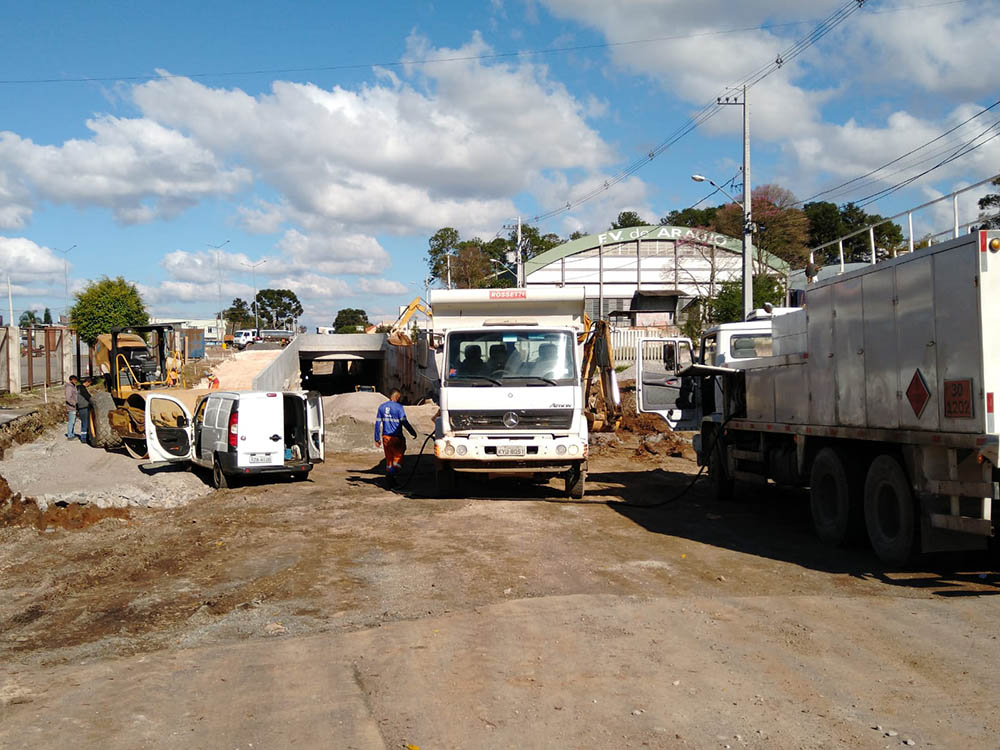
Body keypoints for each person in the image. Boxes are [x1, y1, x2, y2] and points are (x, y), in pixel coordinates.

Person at [374, 389, 417, 486]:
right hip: (396, 438)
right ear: (397, 397)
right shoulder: (399, 407)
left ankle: (390, 478)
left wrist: (376, 438)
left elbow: (377, 424)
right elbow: (404, 422)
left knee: (389, 459)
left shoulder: (381, 407)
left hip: (386, 437)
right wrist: (412, 432)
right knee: (398, 459)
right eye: (399, 397)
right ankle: (391, 476)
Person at [76, 376, 94, 444]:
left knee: (83, 422)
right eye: (90, 383)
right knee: (86, 423)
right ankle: (84, 438)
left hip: (80, 407)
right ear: (87, 382)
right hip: (84, 407)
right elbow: (88, 397)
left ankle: (83, 437)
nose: (89, 385)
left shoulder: (77, 388)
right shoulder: (82, 388)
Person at [64, 375, 79, 440]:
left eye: (76, 380)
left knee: (73, 421)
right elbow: (68, 398)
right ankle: (70, 435)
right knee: (71, 421)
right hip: (71, 407)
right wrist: (74, 403)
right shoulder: (69, 387)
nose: (75, 381)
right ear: (71, 380)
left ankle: (72, 434)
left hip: (74, 407)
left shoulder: (73, 386)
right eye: (74, 380)